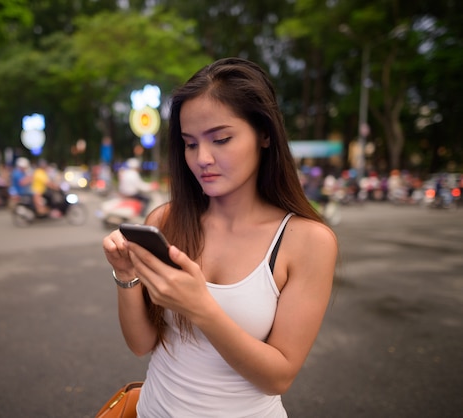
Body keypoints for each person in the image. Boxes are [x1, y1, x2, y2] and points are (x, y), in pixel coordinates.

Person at [102, 58, 338, 417]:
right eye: (190, 143)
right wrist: (125, 275)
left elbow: (277, 378)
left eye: (221, 139)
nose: (202, 158)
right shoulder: (165, 220)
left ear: (264, 134)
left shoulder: (306, 240)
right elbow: (142, 344)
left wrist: (201, 309)